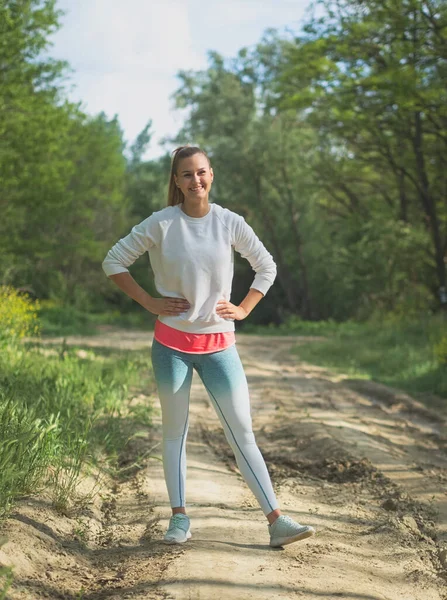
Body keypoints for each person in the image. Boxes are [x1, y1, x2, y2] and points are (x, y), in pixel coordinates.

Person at [102, 145, 315, 548]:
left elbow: (265, 266)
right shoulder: (161, 224)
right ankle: (179, 519)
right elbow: (114, 261)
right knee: (175, 433)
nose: (195, 180)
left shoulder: (229, 223)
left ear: (211, 175)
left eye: (201, 172)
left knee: (242, 434)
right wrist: (149, 301)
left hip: (220, 347)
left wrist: (244, 308)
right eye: (186, 174)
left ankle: (276, 521)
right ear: (176, 181)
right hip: (171, 347)